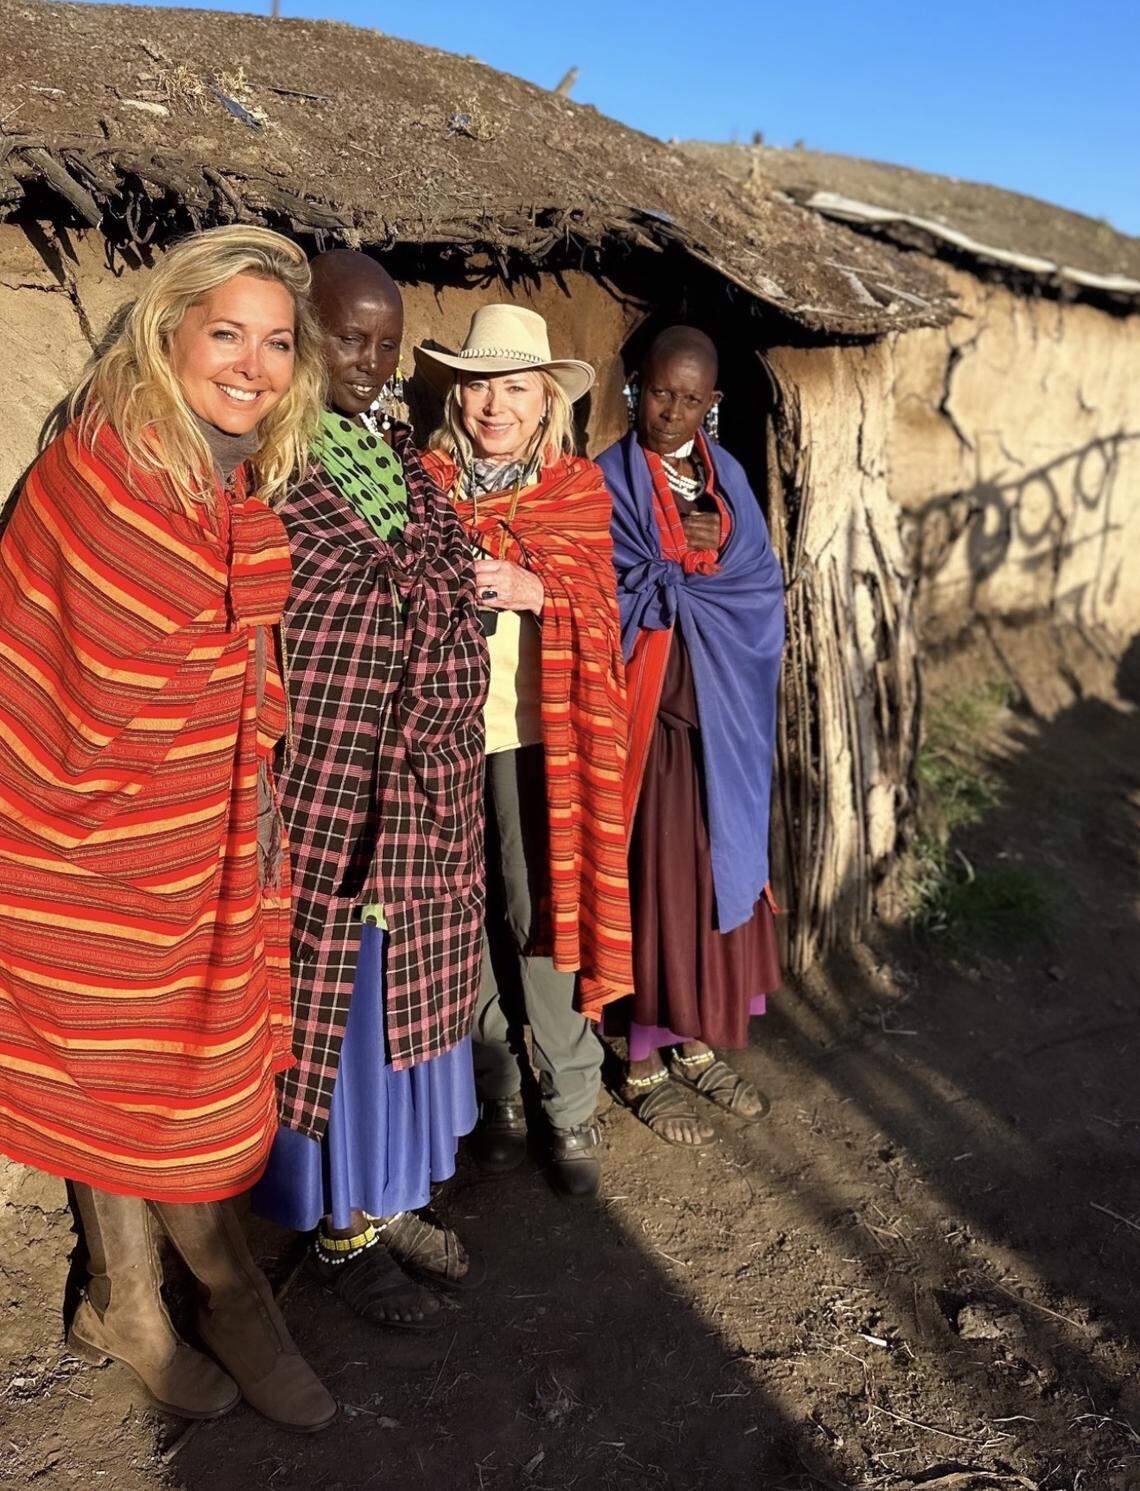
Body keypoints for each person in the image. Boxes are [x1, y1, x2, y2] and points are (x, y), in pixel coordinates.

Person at [0, 226, 336, 1430]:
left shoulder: (228, 476)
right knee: (142, 1071)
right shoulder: (103, 477)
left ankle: (141, 1301)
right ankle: (191, 1305)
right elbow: (74, 677)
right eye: (227, 334)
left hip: (204, 837)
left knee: (175, 1065)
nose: (252, 363)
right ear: (171, 334)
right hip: (84, 840)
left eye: (277, 343)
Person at [251, 251, 488, 1329]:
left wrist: (432, 628)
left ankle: (390, 1202)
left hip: (424, 786)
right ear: (303, 331)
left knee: (405, 995)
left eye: (389, 343)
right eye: (351, 336)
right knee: (333, 1005)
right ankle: (339, 1229)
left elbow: (454, 583)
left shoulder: (396, 456)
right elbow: (298, 620)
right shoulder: (274, 467)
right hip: (328, 785)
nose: (372, 360)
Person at [417, 305, 631, 1198]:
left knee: (540, 917)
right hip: (441, 734)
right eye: (478, 386)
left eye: (514, 388)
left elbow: (603, 608)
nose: (493, 406)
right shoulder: (421, 481)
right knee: (459, 920)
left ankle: (570, 1097)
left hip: (536, 739)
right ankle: (496, 1089)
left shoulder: (574, 491)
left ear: (547, 401)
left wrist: (538, 587)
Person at [597, 326, 785, 1147]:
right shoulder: (605, 479)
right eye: (659, 393)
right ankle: (642, 1056)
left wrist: (725, 540)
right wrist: (667, 572)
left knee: (714, 882)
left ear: (713, 404)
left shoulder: (728, 477)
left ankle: (697, 1039)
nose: (670, 412)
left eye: (690, 398)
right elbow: (595, 589)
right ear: (637, 385)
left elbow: (760, 583)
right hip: (652, 726)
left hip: (722, 726)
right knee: (656, 888)